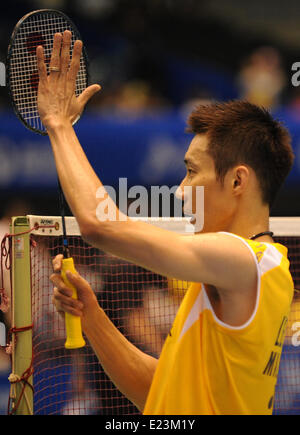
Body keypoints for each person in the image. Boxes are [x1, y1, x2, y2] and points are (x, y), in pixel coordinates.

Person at [36, 31, 295, 415]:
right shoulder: (242, 273)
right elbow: (156, 391)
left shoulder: (248, 262)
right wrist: (90, 315)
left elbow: (99, 225)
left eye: (192, 172)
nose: (180, 190)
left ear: (238, 181)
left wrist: (59, 125)